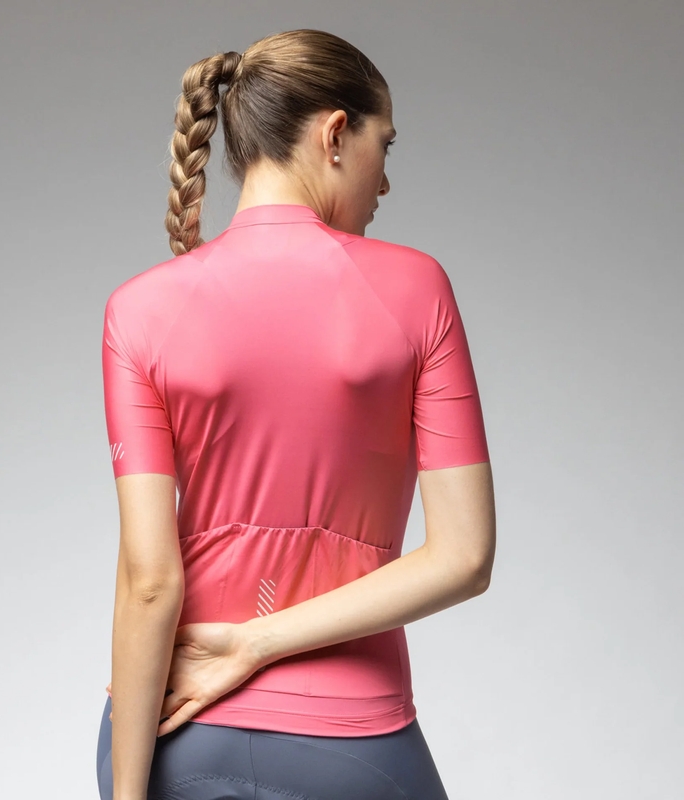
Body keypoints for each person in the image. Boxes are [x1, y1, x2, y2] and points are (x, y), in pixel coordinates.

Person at [96, 27, 496, 800]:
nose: (385, 182)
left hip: (171, 733)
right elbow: (465, 556)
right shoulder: (417, 289)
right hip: (349, 745)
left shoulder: (138, 309)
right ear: (335, 134)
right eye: (385, 145)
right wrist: (255, 644)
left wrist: (127, 790)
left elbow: (148, 580)